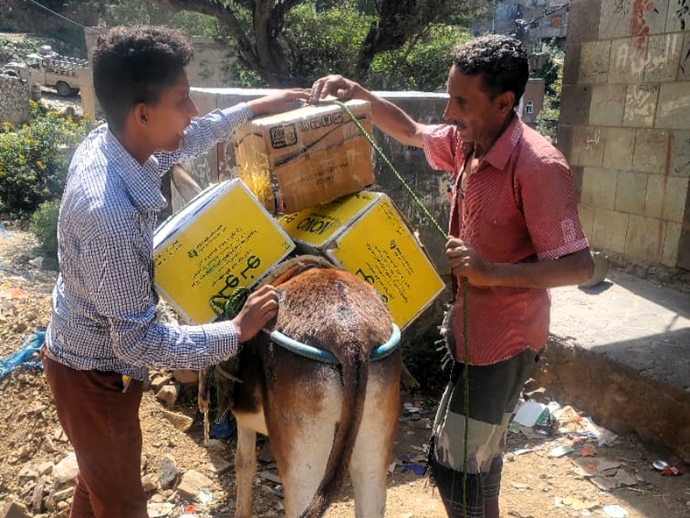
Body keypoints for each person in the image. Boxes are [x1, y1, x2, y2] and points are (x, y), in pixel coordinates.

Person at [311, 35, 594, 518]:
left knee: (456, 464)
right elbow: (413, 132)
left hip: (505, 342)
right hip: (469, 332)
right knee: (476, 458)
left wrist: (489, 273)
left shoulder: (538, 165)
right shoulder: (470, 141)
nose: (448, 111)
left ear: (505, 102)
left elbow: (580, 267)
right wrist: (361, 94)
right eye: (449, 95)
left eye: (461, 101)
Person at [42, 26, 309, 518]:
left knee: (97, 482)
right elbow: (138, 344)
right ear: (143, 113)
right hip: (94, 375)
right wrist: (235, 330)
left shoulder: (117, 142)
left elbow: (188, 139)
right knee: (121, 503)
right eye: (183, 100)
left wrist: (256, 107)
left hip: (90, 359)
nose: (193, 112)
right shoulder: (111, 217)